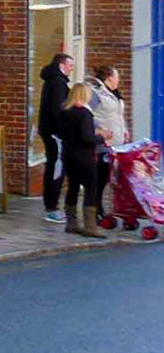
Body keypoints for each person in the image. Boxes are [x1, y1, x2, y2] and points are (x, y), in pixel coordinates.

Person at [57, 82, 109, 236]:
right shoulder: (84, 114)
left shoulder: (65, 112)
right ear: (84, 95)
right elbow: (87, 138)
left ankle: (71, 223)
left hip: (68, 155)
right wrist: (101, 137)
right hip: (84, 156)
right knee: (91, 188)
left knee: (73, 186)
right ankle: (90, 227)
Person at [85, 66, 130, 221]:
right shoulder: (97, 93)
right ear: (109, 77)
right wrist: (99, 129)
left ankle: (102, 208)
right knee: (100, 178)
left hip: (116, 143)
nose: (119, 80)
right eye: (117, 77)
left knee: (109, 179)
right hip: (102, 143)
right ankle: (95, 209)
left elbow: (118, 116)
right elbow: (87, 113)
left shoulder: (115, 94)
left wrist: (124, 130)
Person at [37, 53, 73, 222]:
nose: (72, 69)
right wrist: (66, 127)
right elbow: (57, 110)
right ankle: (52, 207)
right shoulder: (58, 83)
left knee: (53, 165)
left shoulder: (52, 81)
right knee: (56, 168)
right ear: (61, 65)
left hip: (49, 130)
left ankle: (50, 204)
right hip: (55, 132)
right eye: (70, 66)